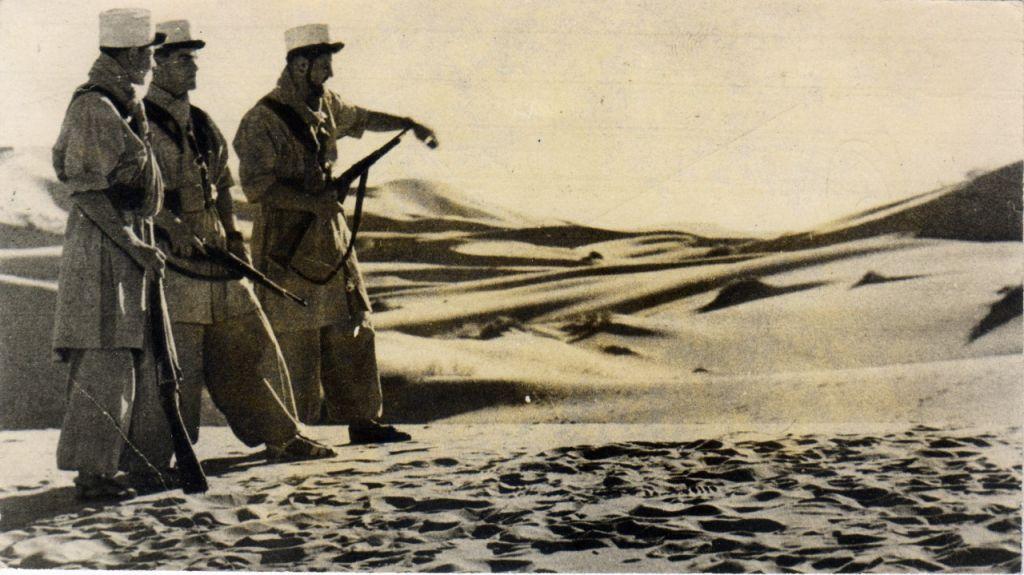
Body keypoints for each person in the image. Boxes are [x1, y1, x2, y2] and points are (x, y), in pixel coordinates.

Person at [130, 19, 334, 490]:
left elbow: (222, 183)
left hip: (218, 256)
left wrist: (233, 233)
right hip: (172, 260)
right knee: (176, 363)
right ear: (158, 64)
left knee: (253, 344)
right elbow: (136, 189)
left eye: (194, 58)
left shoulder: (202, 122)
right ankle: (154, 461)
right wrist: (173, 228)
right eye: (183, 59)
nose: (193, 67)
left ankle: (283, 435)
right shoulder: (138, 121)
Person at [233, 24, 438, 443]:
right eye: (323, 62)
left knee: (352, 324)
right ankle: (288, 433)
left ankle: (363, 420)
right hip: (288, 240)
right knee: (294, 335)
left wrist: (408, 123)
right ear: (300, 65)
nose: (330, 71)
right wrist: (312, 203)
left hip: (329, 234)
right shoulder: (261, 120)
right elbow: (258, 187)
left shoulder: (326, 104)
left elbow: (362, 118)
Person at [51, 8, 167, 500]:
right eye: (150, 54)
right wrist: (135, 245)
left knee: (120, 354)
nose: (154, 64)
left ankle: (109, 466)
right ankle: (92, 472)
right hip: (104, 242)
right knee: (103, 356)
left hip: (121, 240)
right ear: (132, 55)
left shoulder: (119, 104)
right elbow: (88, 191)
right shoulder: (96, 108)